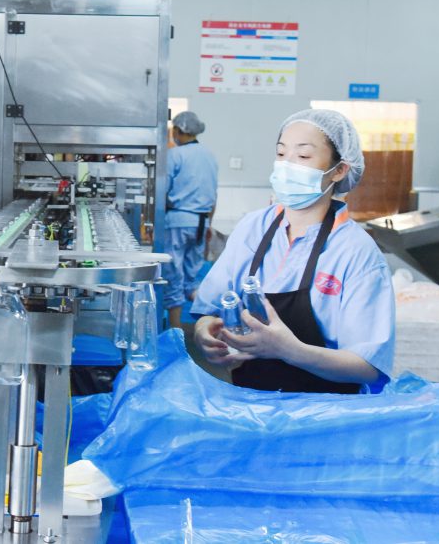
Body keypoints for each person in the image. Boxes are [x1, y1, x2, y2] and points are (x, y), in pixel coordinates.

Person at [191, 109, 394, 393]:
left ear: (339, 171)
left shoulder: (355, 251)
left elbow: (369, 368)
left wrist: (290, 350)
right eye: (281, 153)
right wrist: (205, 332)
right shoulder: (253, 228)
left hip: (327, 411)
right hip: (252, 404)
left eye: (303, 156)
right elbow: (210, 310)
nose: (287, 165)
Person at [163, 111, 219, 329]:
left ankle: (175, 333)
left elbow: (162, 190)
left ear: (178, 130)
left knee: (173, 276)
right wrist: (208, 225)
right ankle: (214, 324)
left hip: (177, 221)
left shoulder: (175, 155)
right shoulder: (209, 156)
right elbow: (214, 195)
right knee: (192, 280)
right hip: (201, 222)